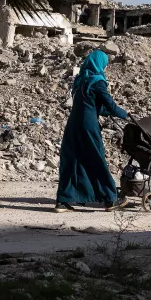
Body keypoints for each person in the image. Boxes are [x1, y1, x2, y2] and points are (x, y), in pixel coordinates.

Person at [55, 49, 131, 212]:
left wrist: (104, 111)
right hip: (88, 126)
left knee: (72, 160)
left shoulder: (80, 80)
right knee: (96, 159)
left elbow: (90, 105)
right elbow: (110, 106)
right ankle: (111, 199)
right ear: (100, 64)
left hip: (73, 125)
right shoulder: (98, 81)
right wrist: (127, 115)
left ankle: (63, 200)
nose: (104, 69)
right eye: (105, 65)